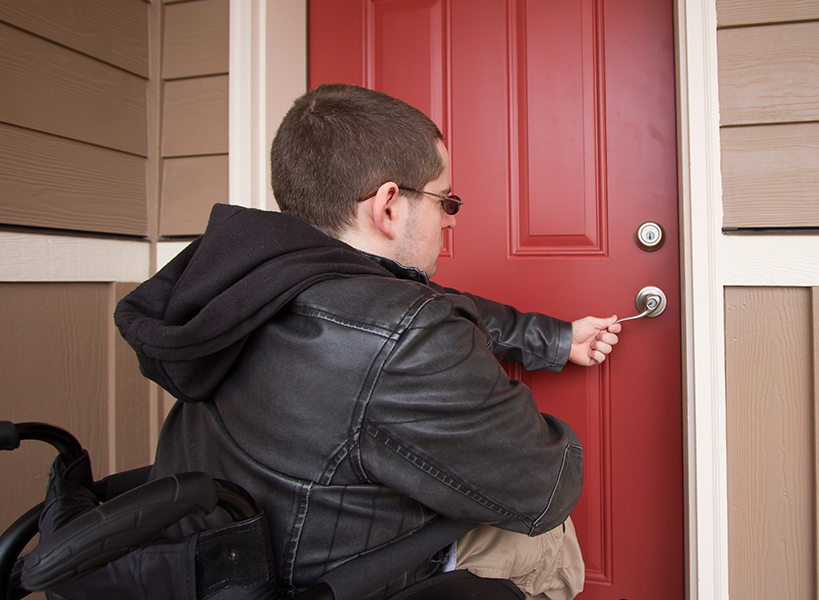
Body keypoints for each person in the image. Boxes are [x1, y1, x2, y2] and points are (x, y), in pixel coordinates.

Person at [115, 83, 621, 600]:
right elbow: (545, 485)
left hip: (213, 568)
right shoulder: (409, 337)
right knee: (545, 540)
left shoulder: (237, 280)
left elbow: (411, 303)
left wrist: (554, 338)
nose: (449, 217)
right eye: (445, 199)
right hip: (338, 582)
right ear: (388, 206)